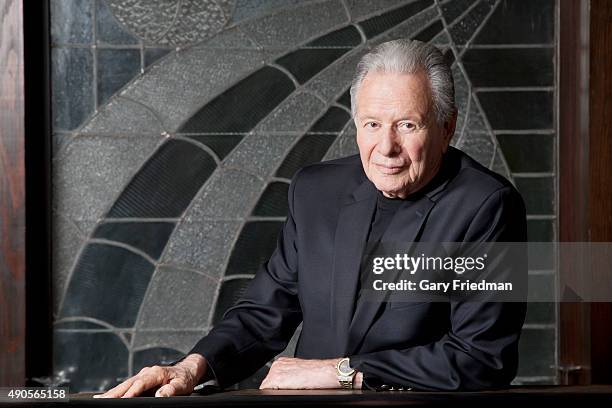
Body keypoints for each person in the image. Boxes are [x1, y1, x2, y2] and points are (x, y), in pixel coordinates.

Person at [95, 39, 527, 398]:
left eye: (408, 125)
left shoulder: (487, 206)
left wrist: (343, 372)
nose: (386, 147)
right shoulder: (317, 191)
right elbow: (266, 310)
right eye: (372, 124)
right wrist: (191, 367)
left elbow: (482, 359)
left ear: (447, 127)